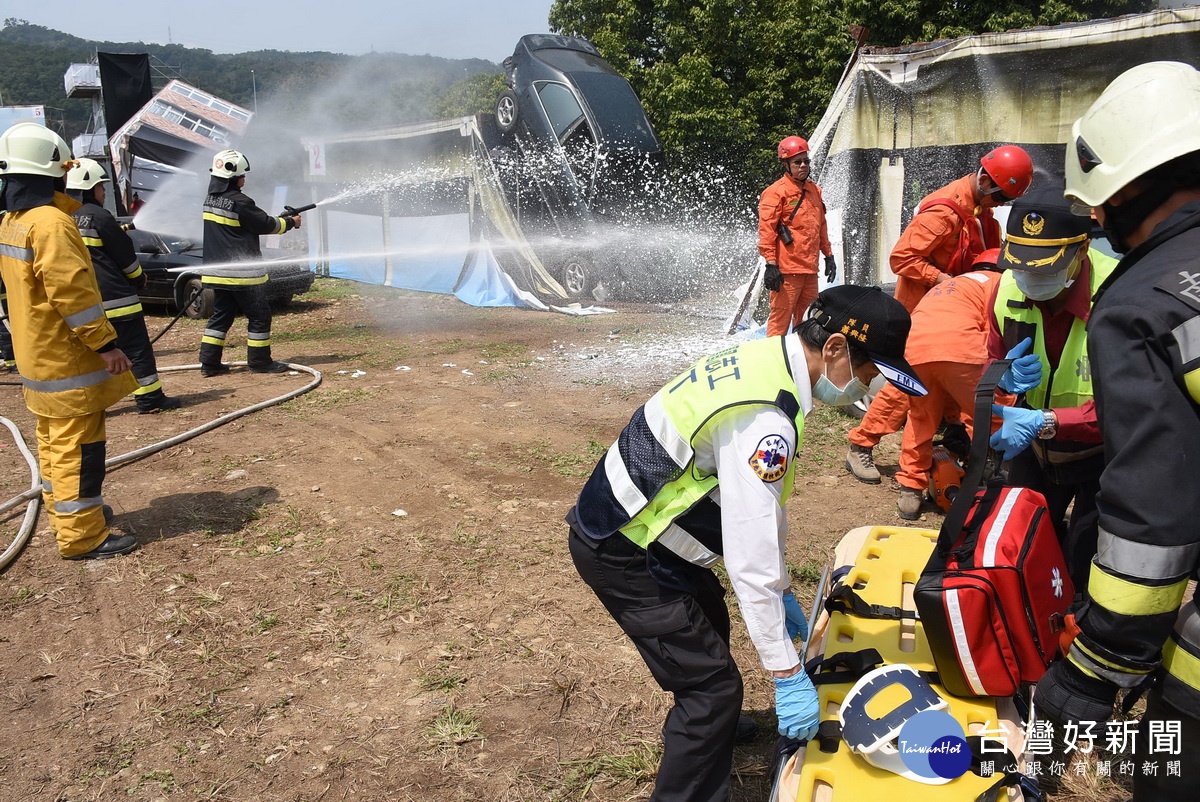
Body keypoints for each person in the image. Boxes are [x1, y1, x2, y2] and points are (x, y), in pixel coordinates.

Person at [567, 285, 927, 802]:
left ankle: (714, 730)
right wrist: (784, 671)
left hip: (645, 525)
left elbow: (761, 509)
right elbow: (749, 548)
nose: (867, 388)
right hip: (622, 546)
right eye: (869, 373)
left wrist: (780, 592)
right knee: (711, 690)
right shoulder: (765, 419)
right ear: (834, 350)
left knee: (708, 610)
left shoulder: (766, 357)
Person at [1034, 61, 1200, 800]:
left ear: (1135, 184)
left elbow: (1153, 514)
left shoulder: (1140, 301)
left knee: (1167, 762)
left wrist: (1099, 666)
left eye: (1098, 204)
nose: (1096, 220)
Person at [846, 145, 1033, 484]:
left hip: (957, 315)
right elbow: (901, 258)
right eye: (1002, 197)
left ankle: (950, 444)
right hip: (923, 315)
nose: (1002, 205)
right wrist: (943, 279)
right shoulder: (944, 214)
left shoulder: (980, 215)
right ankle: (862, 444)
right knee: (904, 388)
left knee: (947, 386)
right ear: (988, 183)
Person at [0, 122, 139, 559]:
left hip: (37, 358)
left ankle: (71, 515)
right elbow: (72, 295)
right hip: (67, 361)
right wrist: (106, 344)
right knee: (81, 448)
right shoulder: (51, 225)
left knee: (55, 442)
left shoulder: (13, 221)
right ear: (52, 172)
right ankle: (83, 536)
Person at [985, 187, 1117, 591]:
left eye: (1043, 270)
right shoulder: (1007, 287)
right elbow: (991, 356)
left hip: (1106, 455)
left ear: (1081, 250)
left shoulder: (1118, 298)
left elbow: (1131, 408)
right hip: (1037, 448)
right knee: (1019, 547)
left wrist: (1047, 419)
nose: (1029, 280)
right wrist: (1002, 378)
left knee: (1086, 559)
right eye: (1022, 267)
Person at [893, 247, 1004, 520]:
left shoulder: (951, 284)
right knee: (994, 413)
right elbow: (998, 333)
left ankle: (910, 489)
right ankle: (996, 475)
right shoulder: (1001, 284)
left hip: (914, 350)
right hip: (961, 350)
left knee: (920, 418)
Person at [66, 158, 182, 414]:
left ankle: (94, 403)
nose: (104, 192)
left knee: (94, 354)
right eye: (101, 187)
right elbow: (125, 257)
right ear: (88, 187)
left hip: (84, 306)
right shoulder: (98, 215)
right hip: (117, 299)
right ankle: (150, 398)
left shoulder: (64, 218)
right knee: (136, 349)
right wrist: (139, 279)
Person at [198, 149, 300, 376]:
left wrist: (279, 219)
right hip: (242, 273)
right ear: (234, 178)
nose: (245, 179)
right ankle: (260, 362)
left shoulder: (210, 200)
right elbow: (265, 225)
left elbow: (251, 222)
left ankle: (209, 364)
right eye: (243, 175)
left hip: (217, 272)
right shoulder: (241, 202)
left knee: (221, 316)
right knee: (260, 315)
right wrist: (290, 222)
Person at [757, 135, 836, 337]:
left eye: (806, 161)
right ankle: (774, 362)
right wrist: (771, 265)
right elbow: (767, 230)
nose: (803, 165)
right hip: (786, 270)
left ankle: (802, 362)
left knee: (809, 320)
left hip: (809, 269)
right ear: (786, 164)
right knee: (780, 320)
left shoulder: (814, 191)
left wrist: (829, 256)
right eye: (797, 162)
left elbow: (821, 226)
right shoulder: (775, 192)